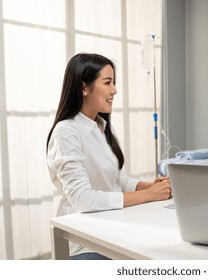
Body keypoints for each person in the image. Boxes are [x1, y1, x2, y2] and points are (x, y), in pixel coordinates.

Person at [46, 53, 171, 260]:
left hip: (111, 231)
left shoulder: (100, 126)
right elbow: (83, 199)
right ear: (84, 87)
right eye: (107, 82)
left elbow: (114, 179)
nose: (114, 90)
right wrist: (149, 196)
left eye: (114, 82)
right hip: (85, 243)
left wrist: (149, 187)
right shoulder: (66, 131)